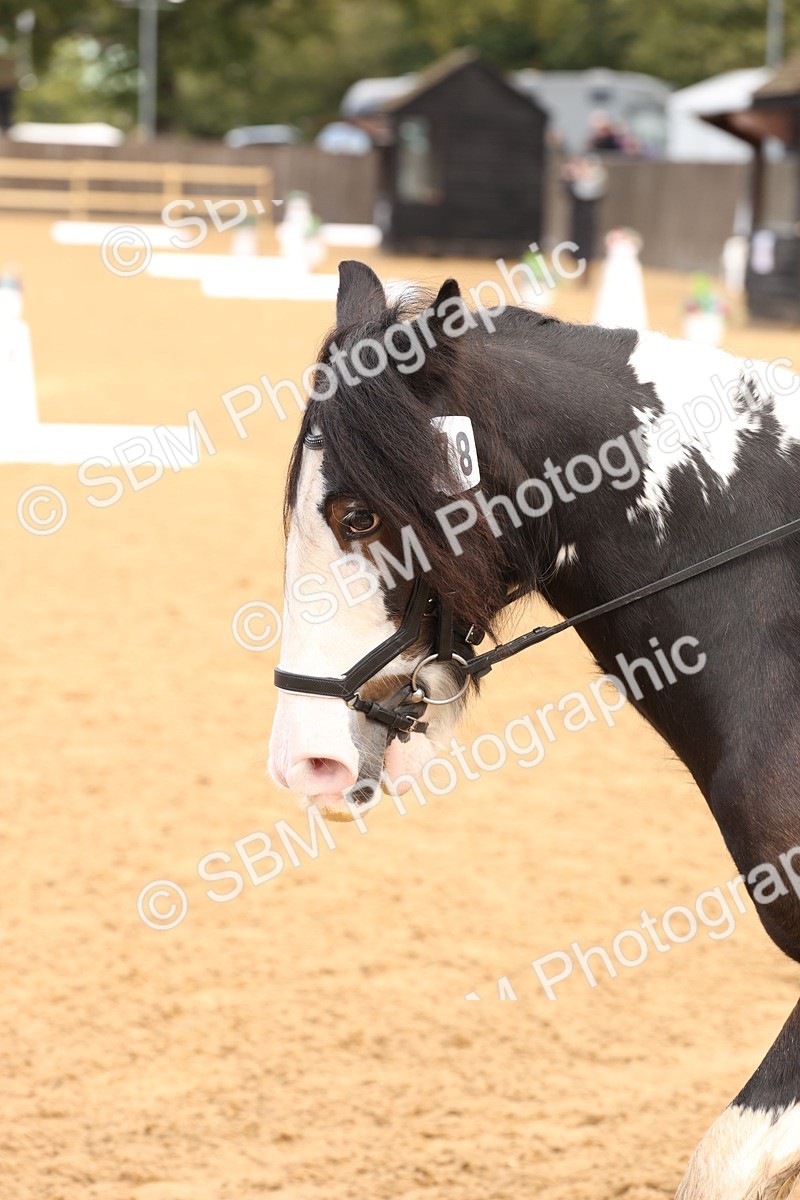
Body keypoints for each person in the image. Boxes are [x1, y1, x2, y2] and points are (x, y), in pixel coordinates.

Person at [561, 154, 608, 285]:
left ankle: (586, 276)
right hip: (577, 221)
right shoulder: (574, 185)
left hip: (590, 221)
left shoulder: (596, 186)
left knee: (588, 249)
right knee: (577, 248)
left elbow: (599, 194)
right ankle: (579, 273)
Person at [0, 37, 18, 133]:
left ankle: (6, 125)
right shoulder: (10, 59)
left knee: (7, 106)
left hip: (7, 86)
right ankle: (5, 125)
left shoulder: (10, 60)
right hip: (7, 86)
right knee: (6, 106)